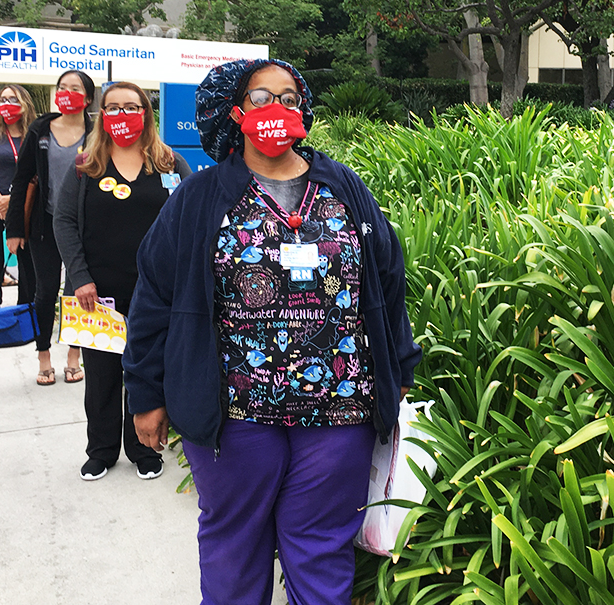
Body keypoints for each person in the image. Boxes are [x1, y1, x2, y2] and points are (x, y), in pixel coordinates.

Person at [123, 59, 421, 604]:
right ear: (235, 114)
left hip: (339, 409)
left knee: (321, 548)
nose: (275, 109)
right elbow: (154, 297)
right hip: (234, 414)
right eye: (260, 98)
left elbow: (386, 277)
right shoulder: (201, 196)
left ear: (303, 110)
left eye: (288, 96)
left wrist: (398, 367)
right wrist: (145, 393)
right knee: (234, 546)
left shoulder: (343, 187)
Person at [53, 81, 192, 481]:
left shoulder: (169, 163)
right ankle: (100, 449)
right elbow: (63, 222)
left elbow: (188, 221)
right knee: (101, 375)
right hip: (98, 293)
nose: (122, 115)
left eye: (131, 107)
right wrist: (79, 276)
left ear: (147, 113)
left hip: (156, 293)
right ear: (101, 114)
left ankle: (145, 450)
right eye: (113, 108)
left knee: (148, 370)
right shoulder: (86, 165)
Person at [6, 70, 95, 386]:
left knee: (78, 293)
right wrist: (14, 229)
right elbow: (22, 178)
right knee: (44, 292)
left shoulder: (97, 132)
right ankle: (43, 354)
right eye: (62, 87)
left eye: (74, 88)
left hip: (83, 229)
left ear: (87, 98)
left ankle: (74, 355)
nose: (66, 92)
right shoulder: (41, 129)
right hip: (45, 225)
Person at [0, 85, 37, 315]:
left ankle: (26, 311)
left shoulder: (34, 132)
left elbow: (38, 172)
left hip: (24, 205)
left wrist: (12, 200)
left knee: (27, 260)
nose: (7, 104)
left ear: (24, 103)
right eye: (3, 99)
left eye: (13, 99)